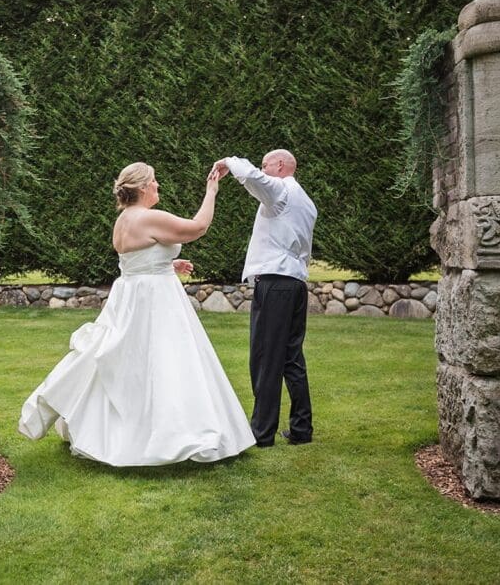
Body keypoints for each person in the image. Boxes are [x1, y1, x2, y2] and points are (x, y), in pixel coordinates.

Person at [18, 162, 255, 466]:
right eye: (154, 182)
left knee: (134, 362)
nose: (158, 186)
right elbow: (198, 227)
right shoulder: (149, 217)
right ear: (142, 188)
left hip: (131, 296)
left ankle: (126, 427)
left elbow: (136, 261)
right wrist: (212, 190)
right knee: (163, 360)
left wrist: (168, 265)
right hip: (155, 300)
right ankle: (170, 435)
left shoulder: (123, 220)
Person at [210, 149, 318, 447]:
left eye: (266, 163)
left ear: (280, 165)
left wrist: (228, 163)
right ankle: (301, 429)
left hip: (275, 284)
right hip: (296, 284)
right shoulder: (307, 202)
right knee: (291, 358)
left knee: (265, 358)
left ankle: (261, 432)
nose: (262, 167)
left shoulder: (282, 191)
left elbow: (254, 177)